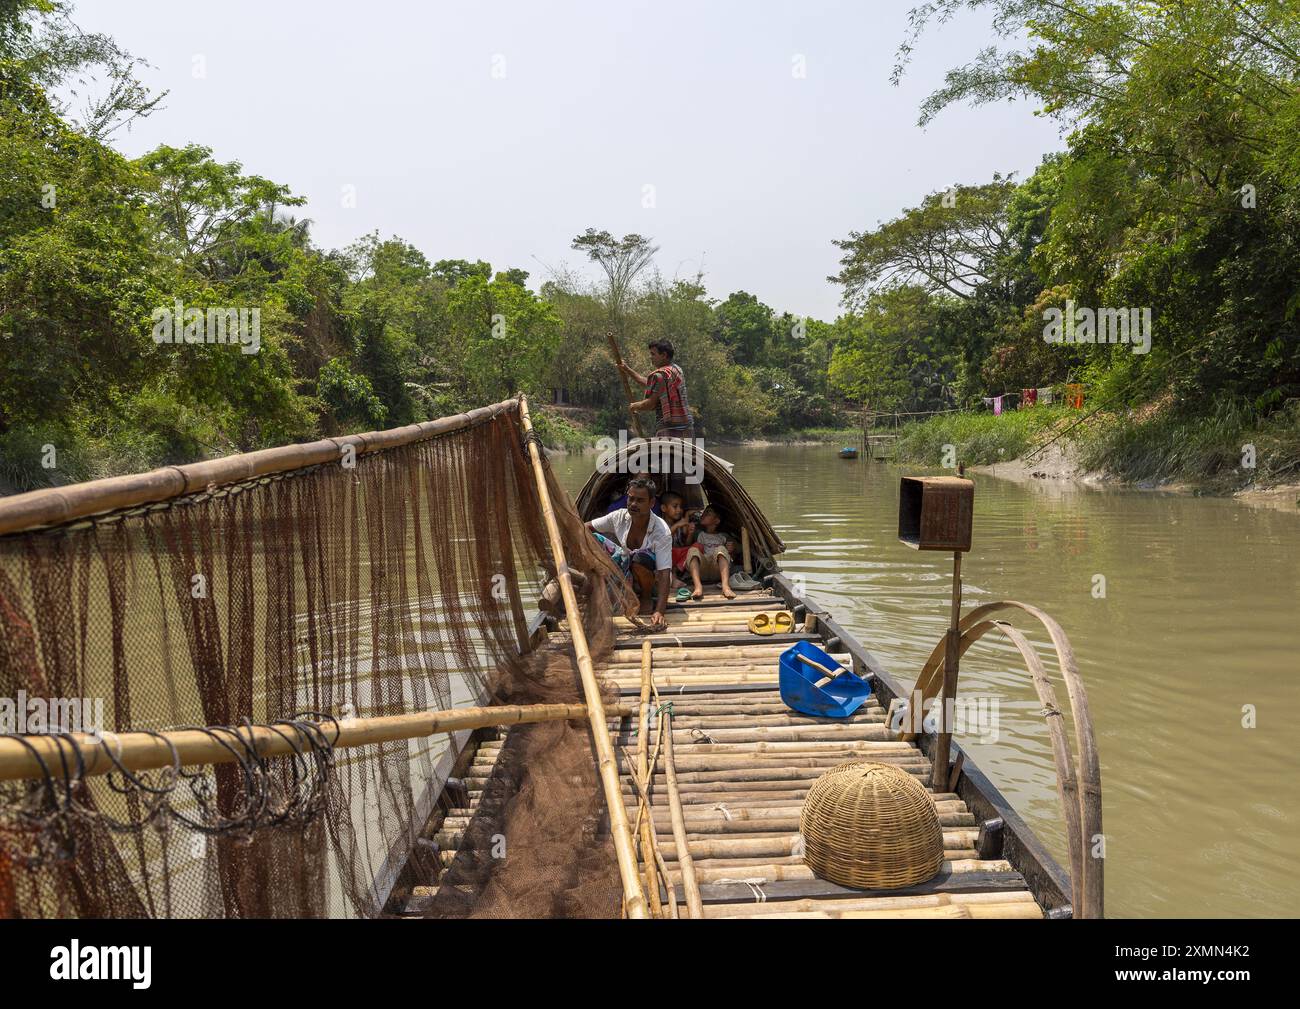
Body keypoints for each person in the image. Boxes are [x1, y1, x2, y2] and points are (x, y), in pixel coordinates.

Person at [585, 476, 672, 629]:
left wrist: (660, 611)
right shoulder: (619, 517)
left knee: (640, 558)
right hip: (626, 572)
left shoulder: (661, 530)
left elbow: (665, 573)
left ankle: (645, 597)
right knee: (591, 538)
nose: (633, 504)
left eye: (640, 500)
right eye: (630, 499)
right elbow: (585, 527)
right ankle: (600, 588)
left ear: (652, 503)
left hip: (651, 579)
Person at [620, 339, 693, 439]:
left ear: (663, 355)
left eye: (653, 354)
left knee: (663, 454)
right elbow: (651, 385)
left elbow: (650, 404)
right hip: (687, 427)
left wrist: (634, 406)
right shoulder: (676, 370)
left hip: (668, 428)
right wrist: (627, 370)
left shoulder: (660, 375)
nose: (651, 358)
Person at [681, 505, 735, 600]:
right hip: (702, 567)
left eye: (708, 513)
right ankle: (698, 587)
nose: (703, 515)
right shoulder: (698, 533)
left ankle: (725, 586)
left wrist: (731, 549)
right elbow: (687, 544)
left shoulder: (724, 536)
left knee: (721, 549)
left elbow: (734, 553)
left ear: (717, 521)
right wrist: (690, 533)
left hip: (717, 569)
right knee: (692, 550)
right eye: (704, 513)